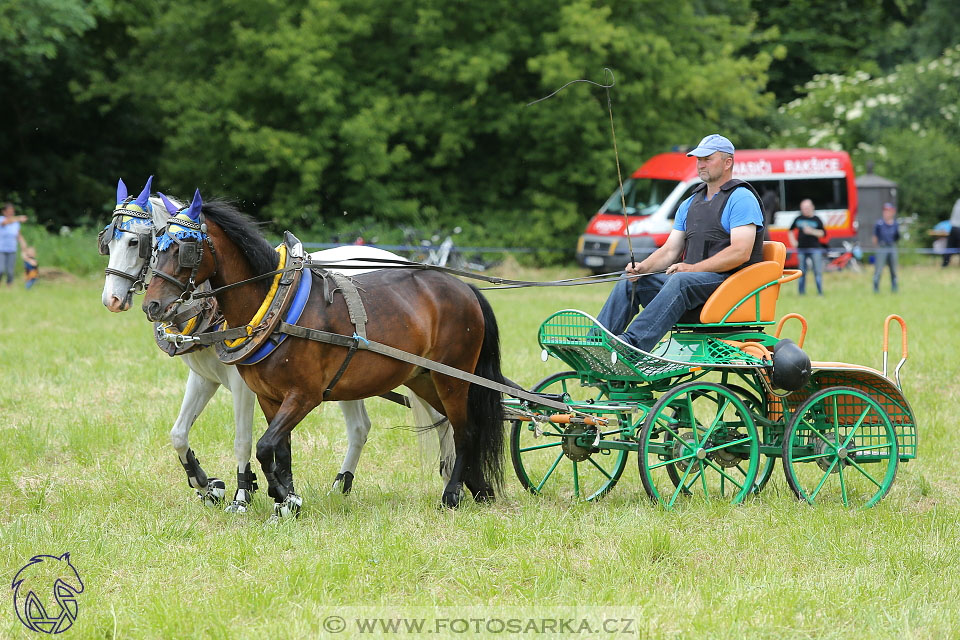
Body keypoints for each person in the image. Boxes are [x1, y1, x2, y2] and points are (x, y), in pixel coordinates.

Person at [596, 134, 764, 352]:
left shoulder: (741, 198)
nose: (700, 165)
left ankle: (632, 346)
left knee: (680, 280)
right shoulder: (689, 202)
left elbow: (740, 253)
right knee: (632, 280)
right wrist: (643, 268)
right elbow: (669, 250)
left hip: (728, 286)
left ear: (727, 162)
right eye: (698, 160)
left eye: (707, 159)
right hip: (691, 284)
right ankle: (597, 343)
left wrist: (692, 268)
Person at [788, 199, 826, 295]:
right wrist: (794, 242)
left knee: (817, 272)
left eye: (807, 208)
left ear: (812, 207)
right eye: (803, 208)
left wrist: (812, 231)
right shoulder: (798, 219)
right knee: (801, 272)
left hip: (815, 249)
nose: (805, 210)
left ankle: (820, 292)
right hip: (801, 249)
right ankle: (801, 293)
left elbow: (823, 233)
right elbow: (790, 231)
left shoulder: (817, 220)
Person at [872, 202, 900, 293]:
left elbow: (897, 237)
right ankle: (876, 288)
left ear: (892, 212)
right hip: (882, 247)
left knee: (894, 269)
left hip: (892, 247)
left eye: (888, 211)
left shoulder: (895, 224)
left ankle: (894, 287)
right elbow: (875, 237)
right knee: (878, 269)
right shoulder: (879, 224)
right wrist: (877, 248)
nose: (886, 213)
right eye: (885, 211)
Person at [1, 202, 28, 288]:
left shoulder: (16, 223)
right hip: (1, 249)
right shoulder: (1, 219)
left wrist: (23, 243)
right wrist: (19, 218)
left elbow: (18, 235)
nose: (11, 213)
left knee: (10, 271)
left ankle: (9, 286)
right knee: (0, 269)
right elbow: (5, 222)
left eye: (12, 211)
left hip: (12, 249)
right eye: (9, 211)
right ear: (4, 212)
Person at [943, 197, 960, 267]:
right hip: (958, 227)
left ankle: (945, 264)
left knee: (949, 246)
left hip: (953, 227)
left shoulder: (958, 201)